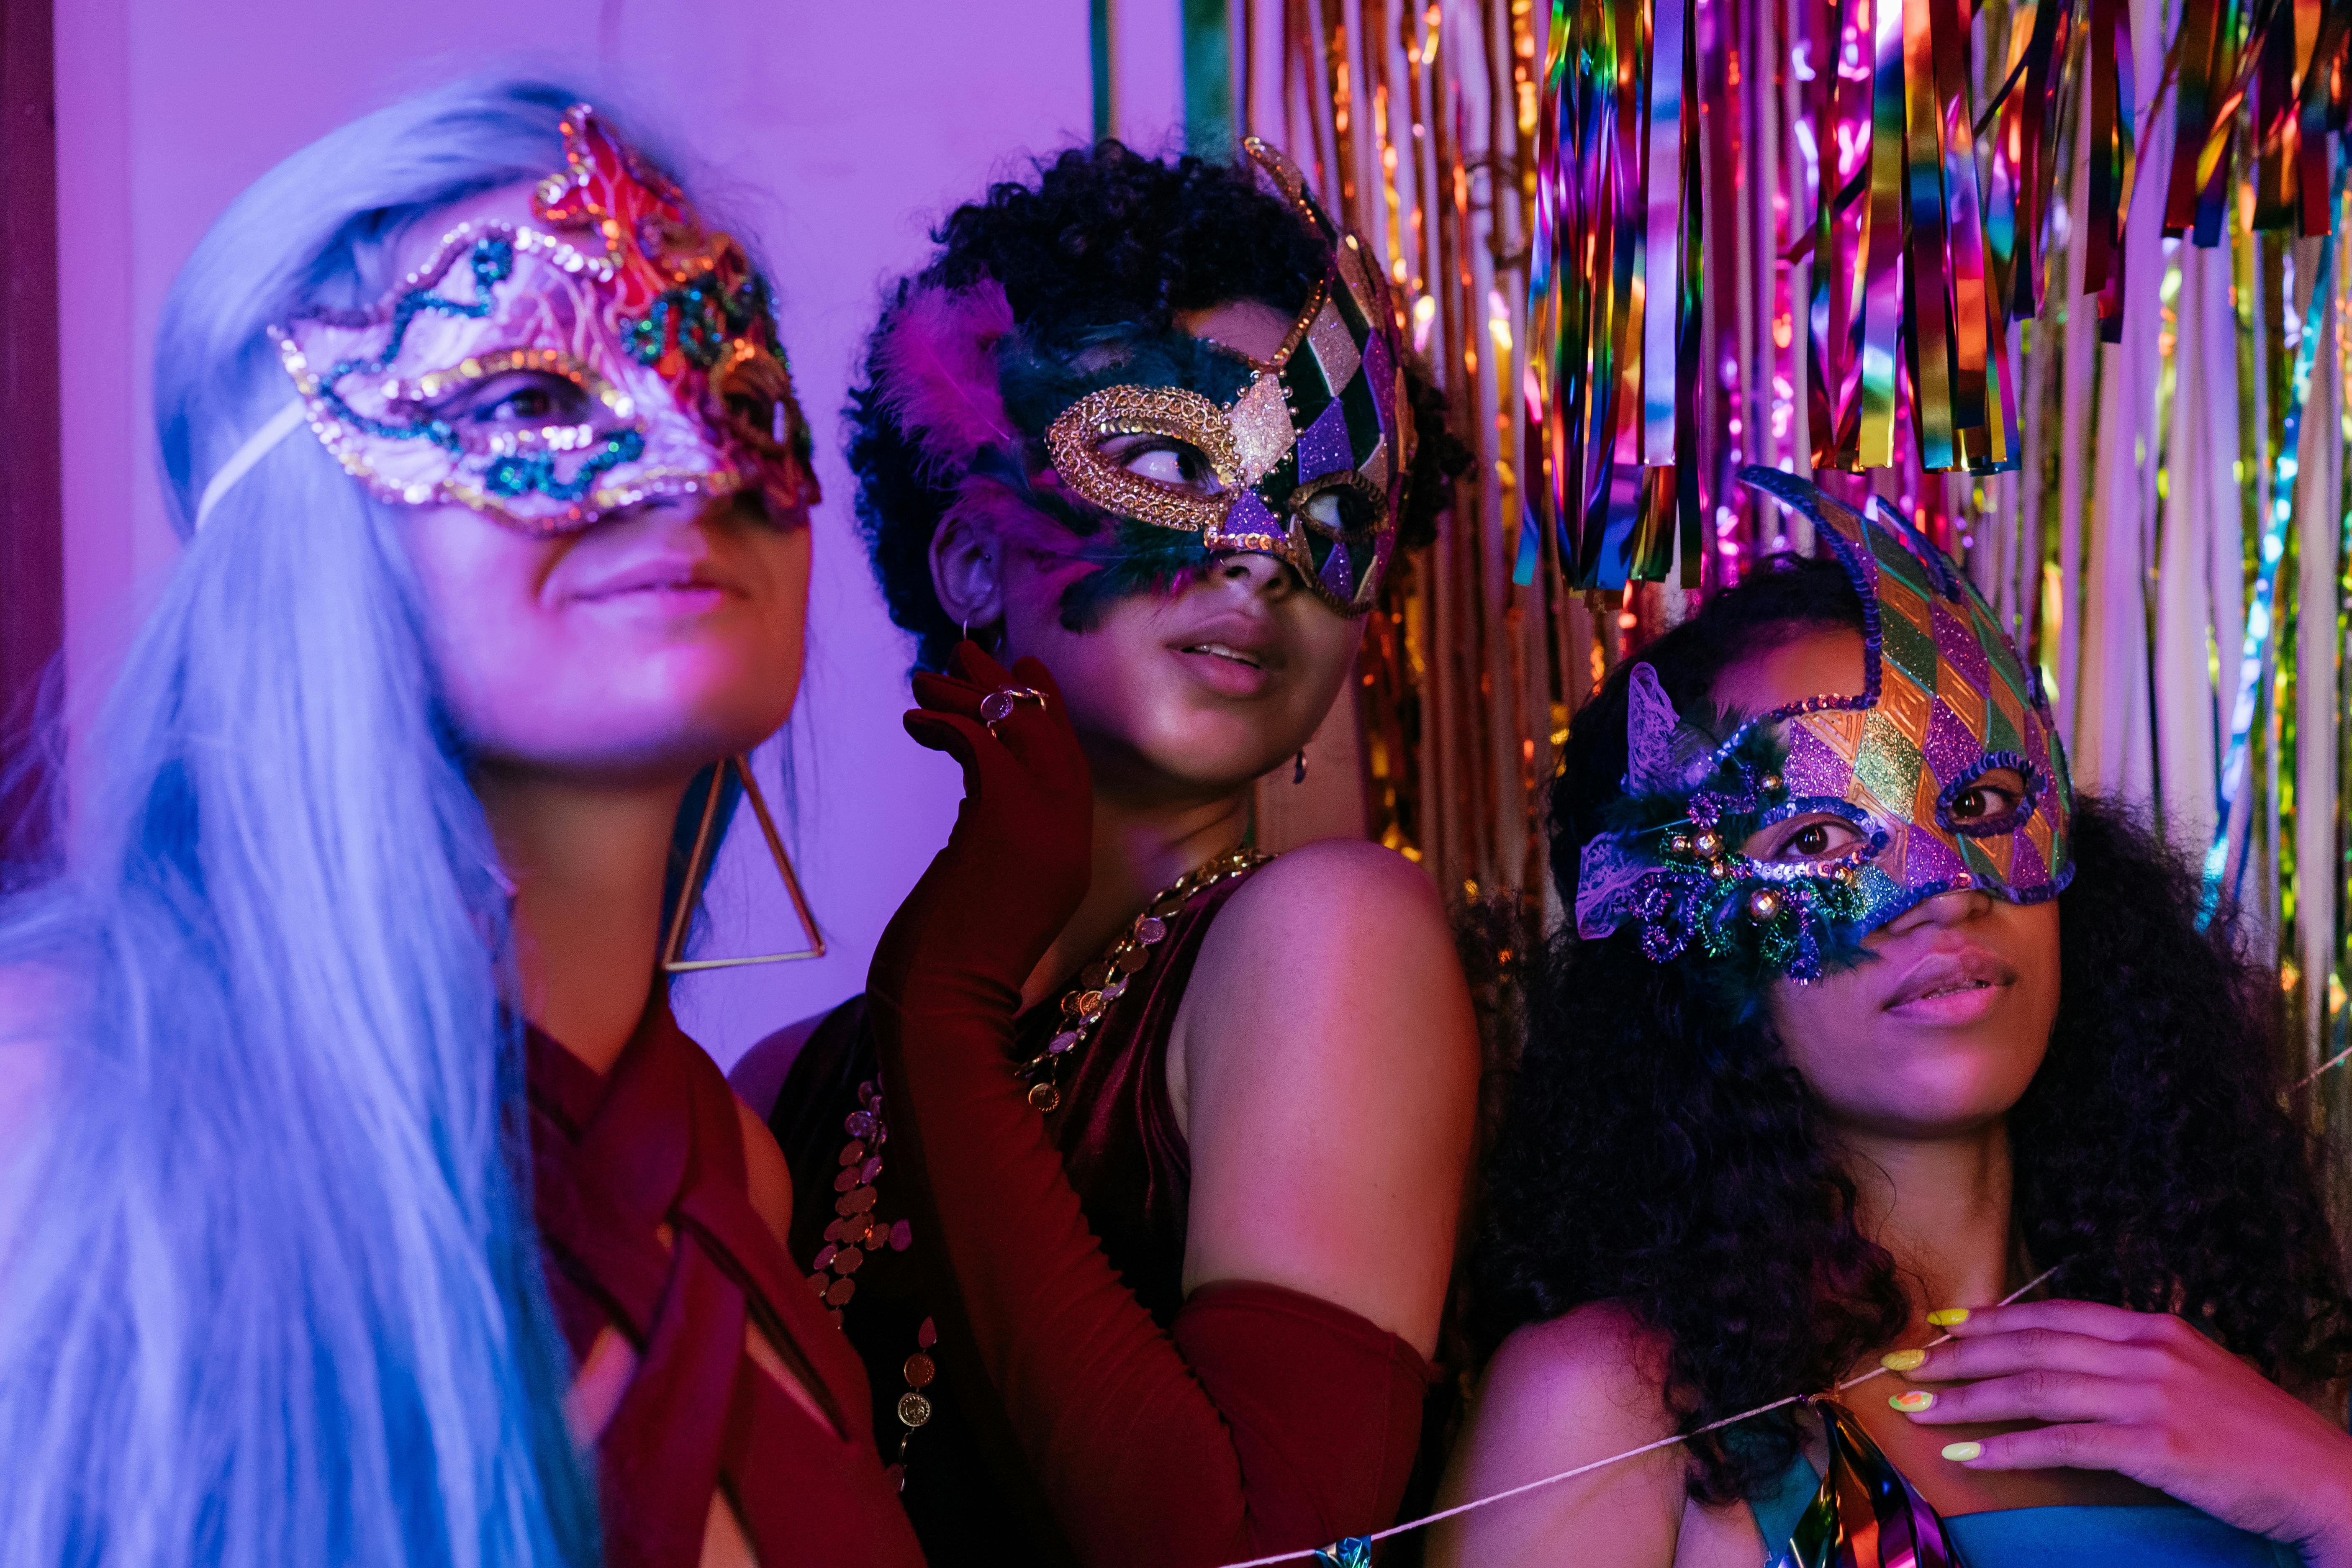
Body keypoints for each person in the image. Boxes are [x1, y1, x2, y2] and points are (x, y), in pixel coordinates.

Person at [0, 80, 922, 1568]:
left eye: (737, 390)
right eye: (531, 398)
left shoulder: (734, 1173)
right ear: (305, 512)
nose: (686, 466)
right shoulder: (59, 1097)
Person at [733, 138, 1480, 1565]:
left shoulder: (1332, 937)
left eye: (1329, 516)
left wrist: (943, 1004)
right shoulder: (782, 1085)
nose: (1259, 555)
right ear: (967, 560)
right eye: (1162, 459)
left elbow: (1248, 1549)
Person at [1429, 472, 2352, 1568]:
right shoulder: (1612, 1409)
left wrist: (2329, 1493)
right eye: (1816, 840)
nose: (1943, 887)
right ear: (1686, 935)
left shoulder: (2243, 1368)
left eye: (1976, 806)